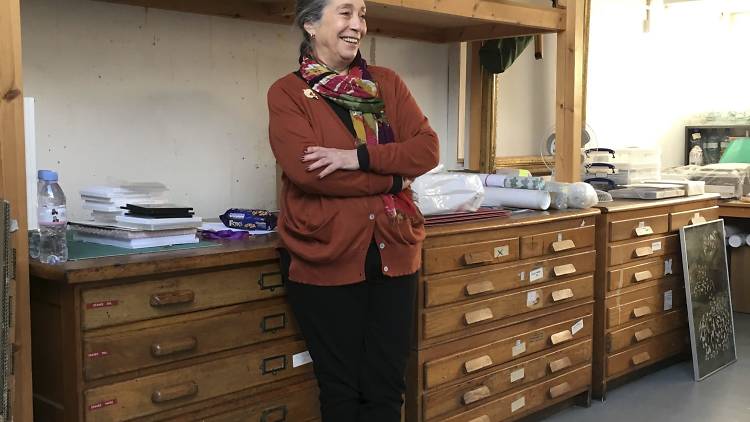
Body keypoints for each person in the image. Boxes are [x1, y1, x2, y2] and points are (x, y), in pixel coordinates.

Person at [267, 0, 439, 420]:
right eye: (345, 13)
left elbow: (427, 149)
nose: (357, 25)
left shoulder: (387, 83)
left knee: (385, 388)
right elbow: (309, 173)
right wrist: (395, 178)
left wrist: (356, 158)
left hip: (394, 250)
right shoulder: (288, 92)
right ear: (310, 23)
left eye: (362, 14)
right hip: (324, 255)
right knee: (341, 390)